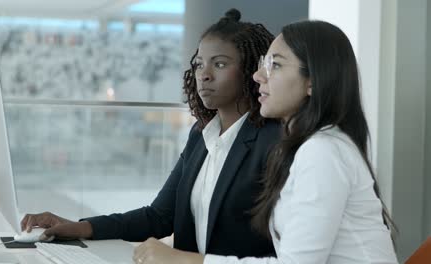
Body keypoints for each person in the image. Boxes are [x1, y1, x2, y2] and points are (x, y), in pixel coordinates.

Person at [21, 9, 281, 264]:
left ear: (251, 71)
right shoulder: (201, 135)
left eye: (220, 64)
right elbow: (159, 216)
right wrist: (77, 227)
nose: (204, 74)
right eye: (199, 64)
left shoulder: (273, 141)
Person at [200, 20, 399, 264]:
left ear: (313, 81)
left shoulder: (322, 150)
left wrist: (189, 261)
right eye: (264, 63)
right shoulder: (309, 146)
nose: (258, 75)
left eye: (276, 65)